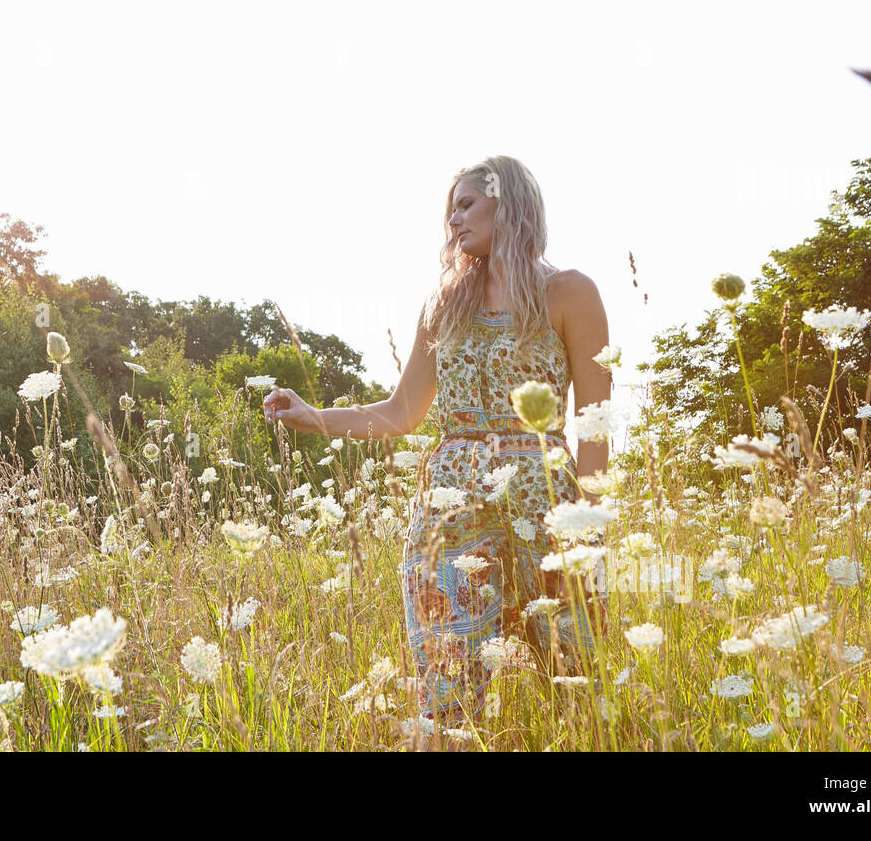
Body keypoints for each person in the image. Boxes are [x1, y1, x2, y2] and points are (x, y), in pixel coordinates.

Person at [261, 155, 612, 723]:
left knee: (577, 680)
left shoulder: (570, 292)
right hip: (448, 509)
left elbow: (594, 421)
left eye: (467, 204)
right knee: (445, 677)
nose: (454, 221)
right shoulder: (444, 304)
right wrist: (313, 416)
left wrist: (591, 527)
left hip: (545, 505)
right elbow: (402, 412)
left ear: (511, 204)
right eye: (451, 210)